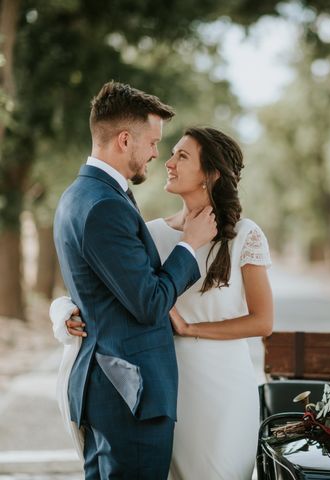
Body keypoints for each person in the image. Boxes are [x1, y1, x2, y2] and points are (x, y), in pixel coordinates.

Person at [52, 126, 274, 479]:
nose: (167, 162)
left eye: (182, 156)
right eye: (169, 152)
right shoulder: (152, 232)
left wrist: (190, 328)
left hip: (224, 390)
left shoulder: (245, 235)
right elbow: (109, 289)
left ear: (211, 174)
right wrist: (63, 311)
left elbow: (263, 321)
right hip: (165, 385)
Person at [53, 81, 218, 479]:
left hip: (111, 390)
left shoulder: (85, 195)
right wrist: (190, 246)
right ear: (125, 140)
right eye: (153, 142)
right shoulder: (104, 205)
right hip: (129, 394)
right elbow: (148, 303)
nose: (157, 154)